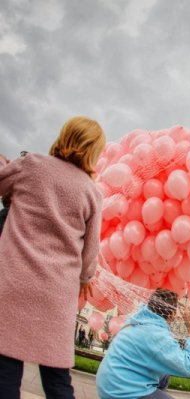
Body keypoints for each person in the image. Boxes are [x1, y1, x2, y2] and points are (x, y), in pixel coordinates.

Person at [0, 116, 105, 398]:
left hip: (13, 281)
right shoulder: (92, 193)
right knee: (57, 377)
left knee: (5, 370)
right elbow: (90, 250)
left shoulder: (31, 165)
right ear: (94, 151)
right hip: (56, 293)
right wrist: (85, 278)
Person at [96, 289, 190, 399]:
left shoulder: (138, 320)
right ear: (171, 313)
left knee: (164, 375)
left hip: (108, 385)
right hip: (122, 393)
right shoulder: (156, 334)